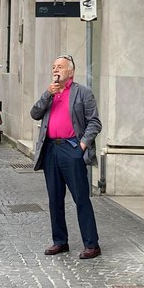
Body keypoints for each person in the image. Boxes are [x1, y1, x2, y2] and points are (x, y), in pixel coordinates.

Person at [30, 54, 102, 259]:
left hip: (71, 149)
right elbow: (34, 113)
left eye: (60, 67)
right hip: (51, 149)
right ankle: (60, 241)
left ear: (70, 71)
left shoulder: (83, 93)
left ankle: (92, 244)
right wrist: (47, 94)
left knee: (81, 197)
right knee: (54, 198)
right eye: (54, 66)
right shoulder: (50, 93)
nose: (56, 70)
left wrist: (81, 146)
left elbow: (94, 123)